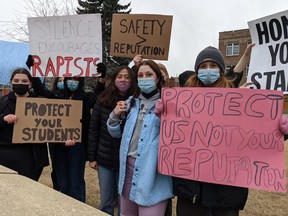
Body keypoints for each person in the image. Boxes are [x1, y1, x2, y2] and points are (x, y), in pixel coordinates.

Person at [174, 46, 248, 216]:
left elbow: (257, 136)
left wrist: (280, 127)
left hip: (225, 193)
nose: (208, 70)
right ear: (196, 70)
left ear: (221, 71)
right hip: (191, 191)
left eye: (213, 65)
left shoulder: (238, 101)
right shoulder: (183, 100)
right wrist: (164, 113)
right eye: (203, 66)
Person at [31, 59, 106, 202]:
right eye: (69, 78)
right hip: (58, 145)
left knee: (76, 180)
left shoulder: (85, 97)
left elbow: (98, 96)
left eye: (76, 79)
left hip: (77, 146)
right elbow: (40, 90)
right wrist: (34, 71)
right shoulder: (56, 96)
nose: (72, 81)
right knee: (61, 180)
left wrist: (101, 78)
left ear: (80, 81)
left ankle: (78, 207)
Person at [107, 60, 173, 216]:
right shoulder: (130, 103)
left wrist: (166, 118)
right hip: (127, 173)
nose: (145, 78)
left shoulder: (169, 104)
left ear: (158, 77)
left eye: (149, 74)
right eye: (141, 75)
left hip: (152, 176)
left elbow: (177, 139)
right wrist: (114, 116)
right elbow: (115, 133)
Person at [88, 66, 137, 215]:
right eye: (120, 77)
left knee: (124, 200)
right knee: (106, 201)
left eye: (127, 77)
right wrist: (92, 157)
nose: (123, 80)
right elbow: (93, 129)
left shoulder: (136, 103)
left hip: (126, 161)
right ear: (114, 79)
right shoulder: (102, 100)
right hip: (105, 159)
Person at [0, 68, 49, 181]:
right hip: (4, 155)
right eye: (16, 81)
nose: (20, 84)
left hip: (31, 157)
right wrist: (3, 119)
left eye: (24, 81)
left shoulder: (41, 104)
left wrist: (64, 138)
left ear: (30, 84)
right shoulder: (2, 101)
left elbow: (52, 126)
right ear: (11, 82)